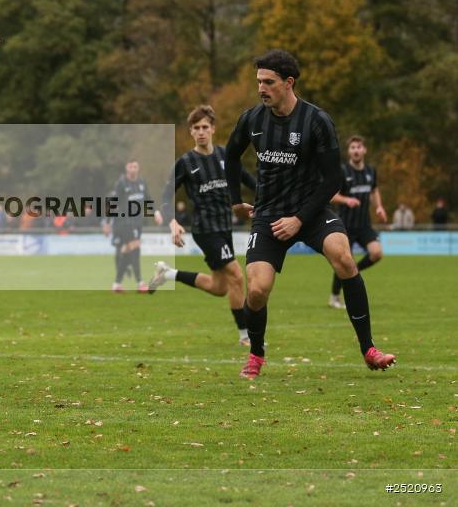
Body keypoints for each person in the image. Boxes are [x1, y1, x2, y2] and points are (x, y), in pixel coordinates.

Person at [224, 49, 395, 379]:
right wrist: (235, 200)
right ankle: (256, 353)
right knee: (257, 291)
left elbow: (333, 179)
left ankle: (369, 349)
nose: (261, 88)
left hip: (312, 212)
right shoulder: (251, 119)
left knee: (344, 257)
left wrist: (300, 219)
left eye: (268, 82)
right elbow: (231, 157)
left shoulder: (317, 121)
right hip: (269, 215)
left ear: (288, 83)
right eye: (258, 81)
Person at [150, 105, 257, 346]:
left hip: (224, 228)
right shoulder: (186, 162)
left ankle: (168, 273)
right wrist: (173, 222)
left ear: (213, 129)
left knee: (219, 287)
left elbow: (249, 181)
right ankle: (245, 336)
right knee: (237, 277)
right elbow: (166, 196)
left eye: (205, 127)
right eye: (196, 128)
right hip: (204, 229)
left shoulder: (225, 156)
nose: (201, 132)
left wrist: (264, 201)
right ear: (191, 132)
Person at [327, 136, 387, 309]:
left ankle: (355, 271)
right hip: (345, 225)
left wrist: (379, 207)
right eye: (352, 147)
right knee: (344, 262)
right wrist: (346, 200)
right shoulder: (343, 172)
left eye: (359, 147)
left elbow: (374, 190)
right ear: (349, 152)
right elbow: (331, 194)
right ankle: (334, 297)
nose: (356, 150)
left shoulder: (370, 171)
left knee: (377, 253)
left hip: (364, 225)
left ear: (364, 150)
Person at [104, 160, 161, 293]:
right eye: (130, 167)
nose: (133, 169)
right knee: (135, 249)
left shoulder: (142, 183)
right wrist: (107, 222)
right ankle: (140, 283)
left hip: (137, 221)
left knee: (127, 252)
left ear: (138, 168)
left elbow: (148, 199)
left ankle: (117, 284)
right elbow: (114, 203)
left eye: (135, 166)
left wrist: (155, 213)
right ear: (126, 168)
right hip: (125, 222)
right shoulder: (121, 183)